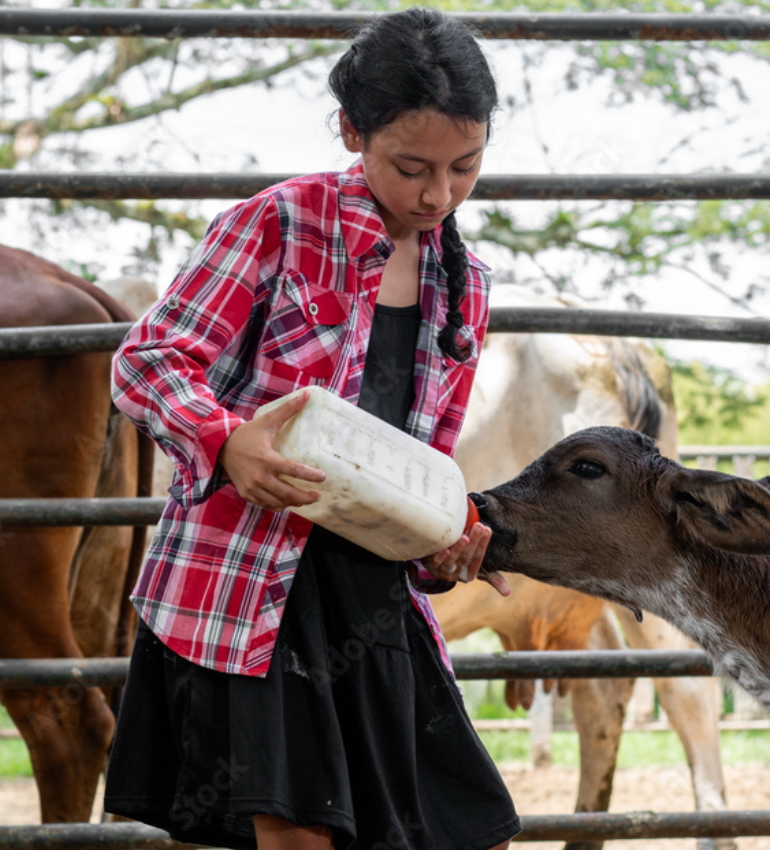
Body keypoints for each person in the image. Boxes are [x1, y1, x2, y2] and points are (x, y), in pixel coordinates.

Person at [103, 9, 520, 850]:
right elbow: (145, 364)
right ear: (351, 131)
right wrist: (227, 439)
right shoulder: (278, 224)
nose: (438, 194)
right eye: (411, 168)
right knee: (293, 837)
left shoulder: (466, 284)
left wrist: (449, 538)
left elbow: (423, 460)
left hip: (371, 593)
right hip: (254, 583)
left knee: (474, 830)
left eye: (464, 167)